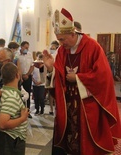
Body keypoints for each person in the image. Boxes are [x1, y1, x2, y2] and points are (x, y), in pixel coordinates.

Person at [43, 8, 121, 154]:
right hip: (67, 103)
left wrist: (78, 78)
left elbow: (103, 76)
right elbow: (59, 77)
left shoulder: (93, 47)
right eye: (58, 39)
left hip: (87, 104)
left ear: (73, 34)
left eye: (62, 39)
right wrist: (51, 69)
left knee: (86, 145)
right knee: (68, 140)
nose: (60, 43)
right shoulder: (61, 51)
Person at [0, 62, 29, 155]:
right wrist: (22, 118)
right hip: (11, 140)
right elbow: (3, 123)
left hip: (9, 139)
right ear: (17, 75)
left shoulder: (4, 90)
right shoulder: (12, 97)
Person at [16, 41, 34, 118]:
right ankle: (19, 111)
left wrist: (27, 74)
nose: (27, 49)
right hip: (19, 77)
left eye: (28, 47)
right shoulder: (16, 54)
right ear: (21, 47)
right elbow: (15, 66)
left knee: (27, 94)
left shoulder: (29, 54)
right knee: (19, 94)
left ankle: (27, 111)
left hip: (27, 77)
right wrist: (20, 75)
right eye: (26, 47)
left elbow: (32, 66)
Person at [45, 40, 59, 115]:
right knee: (50, 92)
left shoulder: (59, 54)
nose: (51, 49)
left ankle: (57, 106)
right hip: (49, 74)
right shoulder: (49, 54)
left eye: (53, 47)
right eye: (50, 47)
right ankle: (51, 108)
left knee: (57, 92)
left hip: (56, 74)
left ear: (57, 47)